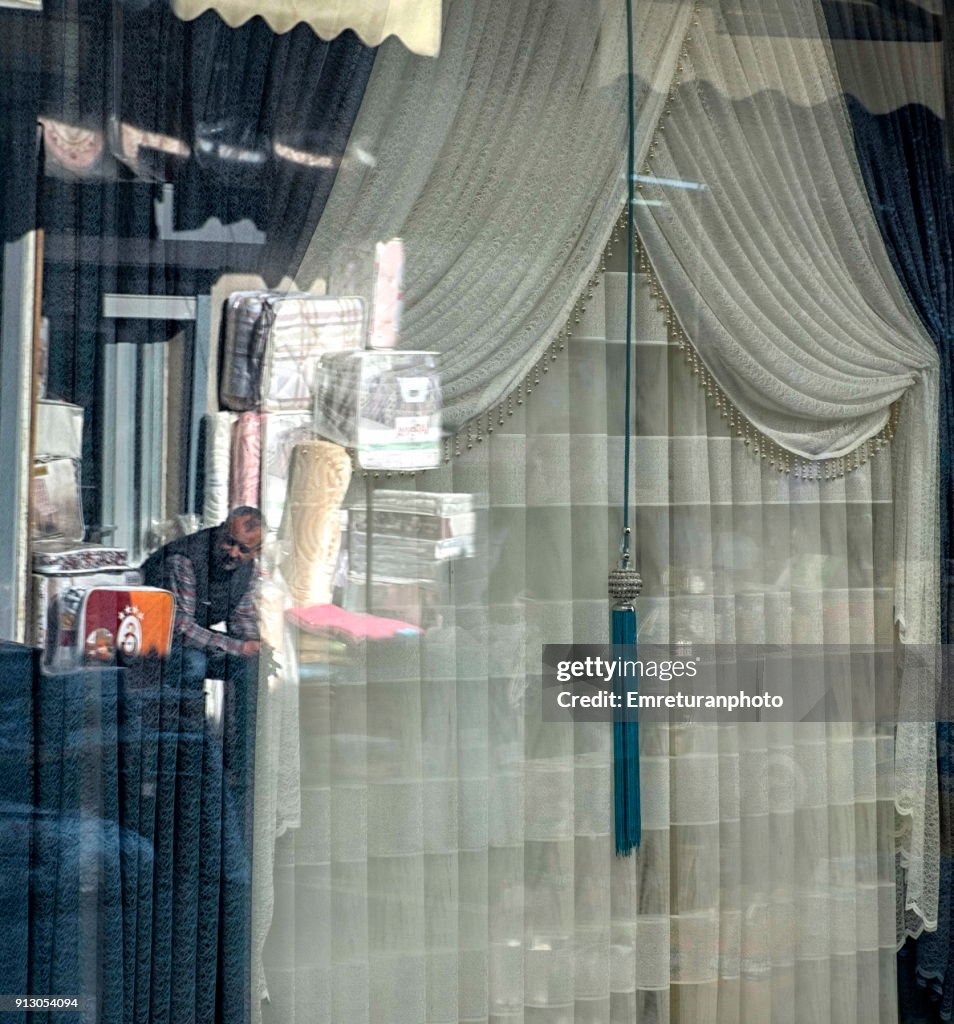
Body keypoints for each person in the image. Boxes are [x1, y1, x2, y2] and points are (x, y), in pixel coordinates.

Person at [142, 506, 262, 683]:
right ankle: (189, 711)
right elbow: (180, 628)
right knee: (194, 663)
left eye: (243, 549)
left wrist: (253, 644)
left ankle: (245, 711)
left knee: (253, 667)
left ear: (256, 551)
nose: (233, 553)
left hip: (192, 633)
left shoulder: (248, 568)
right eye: (229, 541)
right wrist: (239, 647)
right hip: (151, 637)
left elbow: (241, 615)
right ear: (221, 530)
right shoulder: (185, 559)